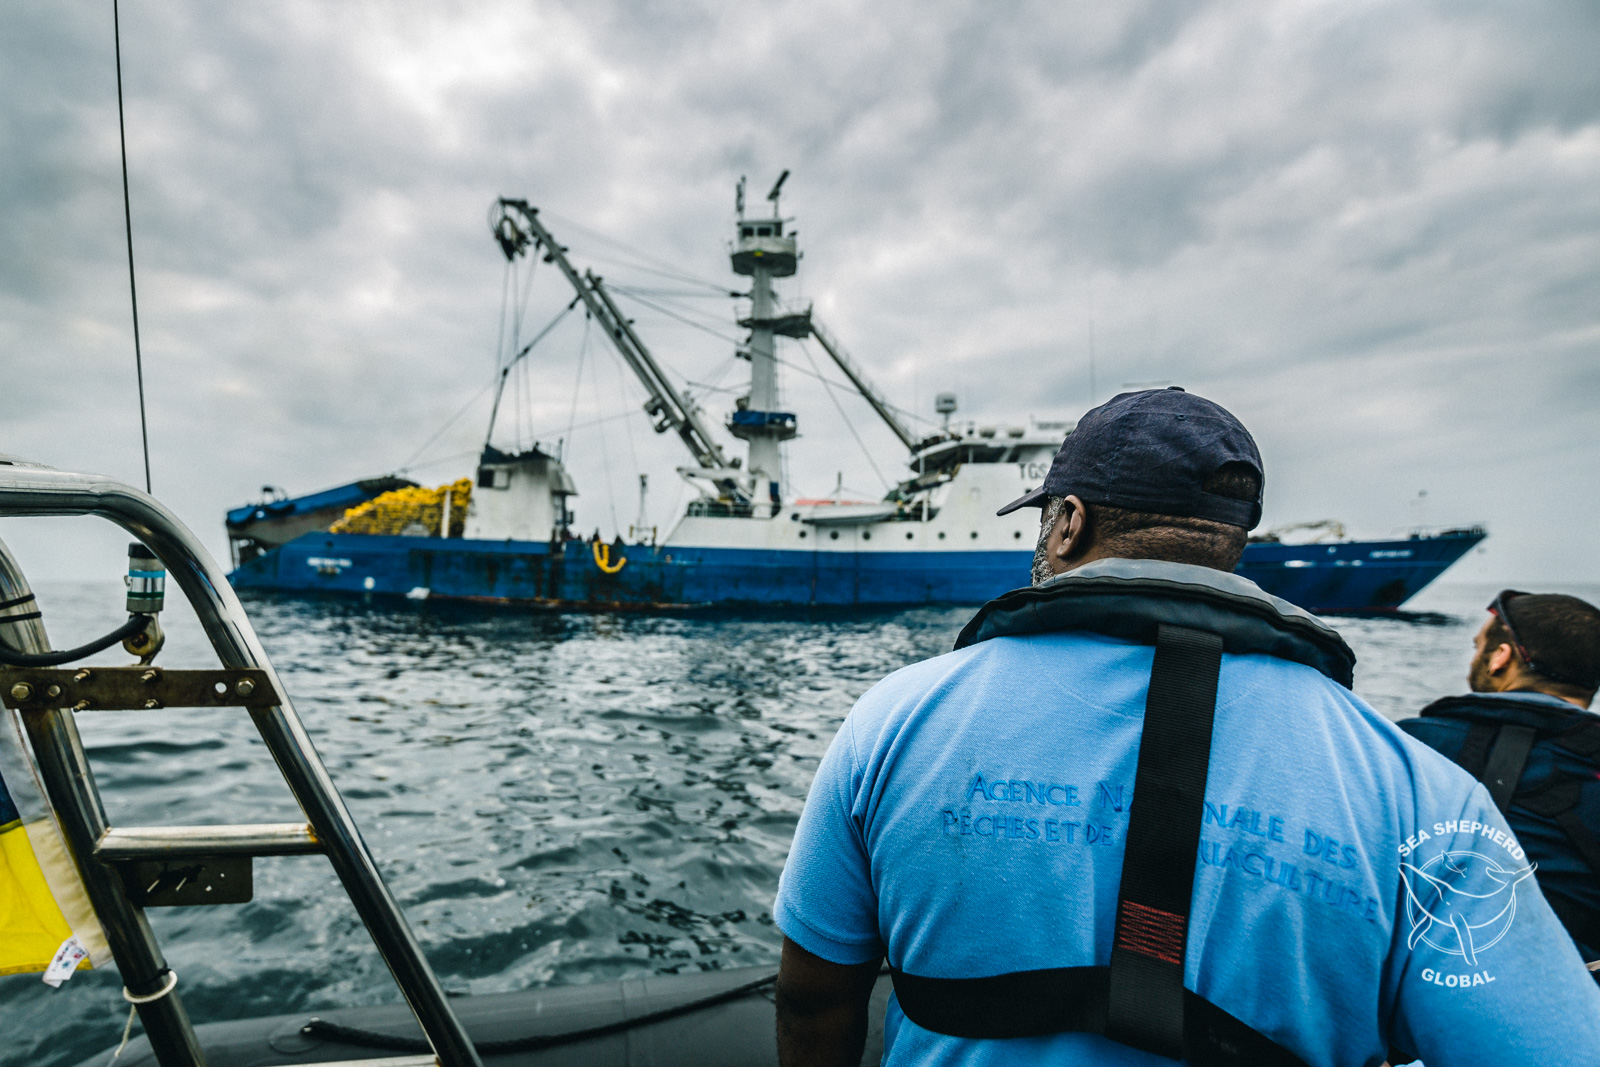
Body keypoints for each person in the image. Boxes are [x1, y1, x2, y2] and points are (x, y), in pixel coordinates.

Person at [771, 387, 1600, 1067]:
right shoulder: (1419, 790)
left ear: (1068, 522)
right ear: (1232, 541)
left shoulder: (892, 719)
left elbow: (813, 997)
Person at [1398, 591, 1600, 966]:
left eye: (1478, 647)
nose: (1473, 659)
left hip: (1427, 972)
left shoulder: (1409, 744)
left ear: (1500, 657)